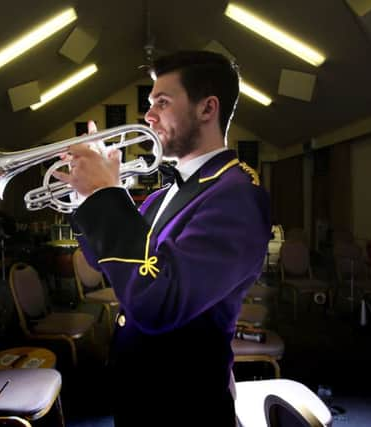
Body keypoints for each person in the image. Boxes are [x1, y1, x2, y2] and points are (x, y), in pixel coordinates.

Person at [53, 50, 271, 426]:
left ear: (207, 109)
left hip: (185, 403)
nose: (148, 116)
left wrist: (108, 196)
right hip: (140, 391)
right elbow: (110, 262)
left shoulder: (237, 195)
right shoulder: (159, 195)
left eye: (162, 103)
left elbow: (160, 304)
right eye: (150, 103)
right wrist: (86, 196)